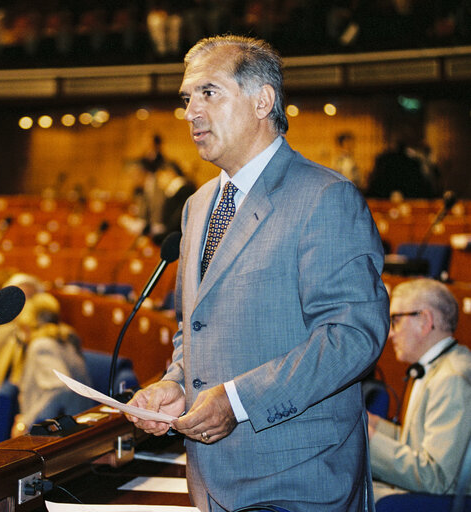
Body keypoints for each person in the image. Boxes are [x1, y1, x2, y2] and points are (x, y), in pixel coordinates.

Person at [125, 35, 389, 512]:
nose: (190, 112)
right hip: (211, 482)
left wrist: (238, 400)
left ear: (263, 100)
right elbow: (199, 328)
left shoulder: (325, 197)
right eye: (187, 99)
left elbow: (352, 335)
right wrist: (176, 383)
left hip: (300, 483)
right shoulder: (198, 205)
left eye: (209, 92)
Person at [368, 278, 471, 501]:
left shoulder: (452, 379)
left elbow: (436, 477)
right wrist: (376, 426)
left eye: (395, 320)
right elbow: (419, 442)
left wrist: (370, 439)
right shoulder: (436, 367)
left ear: (424, 320)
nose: (390, 334)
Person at [9, 292, 94, 436]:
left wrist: (27, 423)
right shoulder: (63, 339)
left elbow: (60, 388)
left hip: (62, 432)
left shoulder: (42, 346)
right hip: (78, 423)